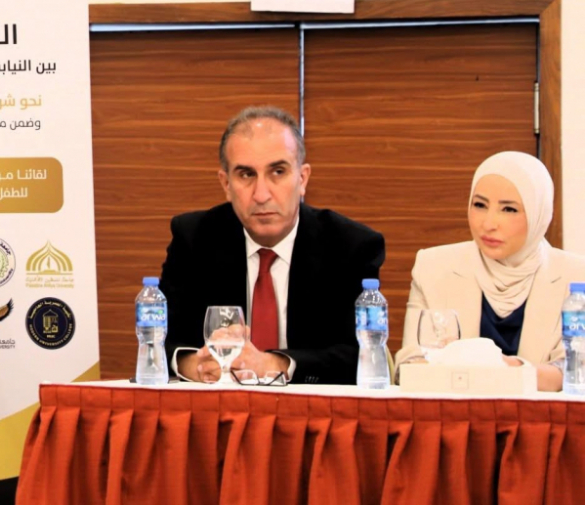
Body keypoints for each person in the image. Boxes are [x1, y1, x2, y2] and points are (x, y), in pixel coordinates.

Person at [162, 106, 386, 384]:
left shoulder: (350, 246)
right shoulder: (195, 238)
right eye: (246, 175)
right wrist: (194, 364)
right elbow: (159, 337)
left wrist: (275, 364)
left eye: (278, 171)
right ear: (226, 184)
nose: (261, 194)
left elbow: (363, 354)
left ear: (302, 179)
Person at [395, 152, 585, 391]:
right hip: (456, 412)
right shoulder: (434, 266)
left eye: (509, 209)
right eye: (480, 205)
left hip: (539, 414)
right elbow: (408, 366)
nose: (488, 224)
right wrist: (509, 373)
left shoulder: (575, 275)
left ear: (539, 213)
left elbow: (576, 369)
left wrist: (503, 369)